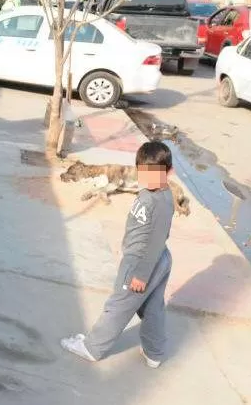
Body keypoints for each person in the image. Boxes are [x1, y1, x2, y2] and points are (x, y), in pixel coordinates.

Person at [61, 141, 176, 369]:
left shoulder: (160, 202)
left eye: (155, 175)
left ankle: (93, 348)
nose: (148, 179)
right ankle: (154, 352)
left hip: (143, 263)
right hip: (154, 259)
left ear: (169, 172)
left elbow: (155, 241)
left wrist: (141, 274)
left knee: (119, 305)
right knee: (151, 307)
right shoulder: (154, 191)